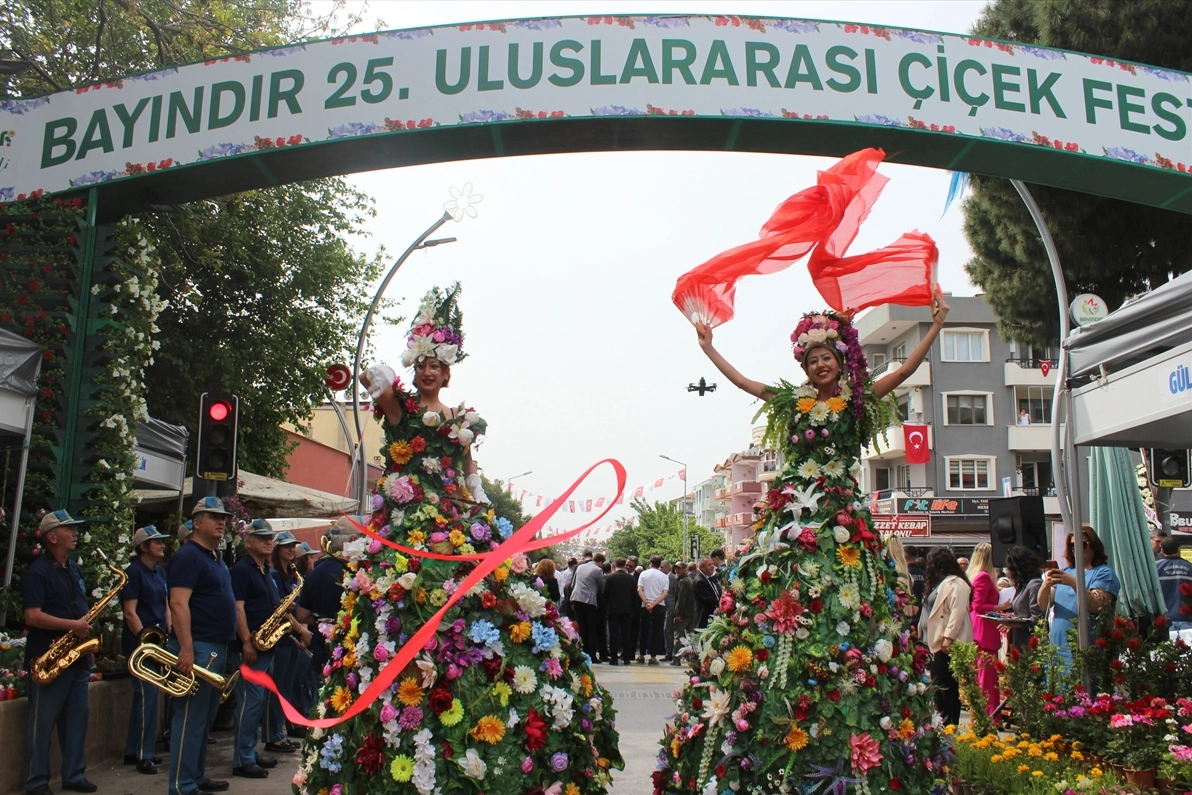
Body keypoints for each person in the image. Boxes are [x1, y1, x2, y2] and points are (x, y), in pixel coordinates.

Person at [296, 284, 621, 794]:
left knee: (488, 600)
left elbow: (470, 476)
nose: (428, 372)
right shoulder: (399, 410)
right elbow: (376, 383)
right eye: (421, 362)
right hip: (405, 530)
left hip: (460, 525)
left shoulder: (464, 421)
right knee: (402, 605)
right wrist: (371, 368)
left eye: (436, 365)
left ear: (448, 372)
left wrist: (486, 516)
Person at [660, 296, 950, 792]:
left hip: (841, 517)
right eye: (813, 359)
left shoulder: (857, 404)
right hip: (791, 520)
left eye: (828, 358)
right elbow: (748, 384)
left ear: (841, 362)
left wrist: (936, 328)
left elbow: (899, 374)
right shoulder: (790, 405)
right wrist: (711, 351)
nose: (820, 365)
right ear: (804, 364)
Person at [23, 509, 96, 795]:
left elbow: (80, 608)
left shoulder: (74, 568)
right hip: (48, 658)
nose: (75, 533)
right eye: (69, 529)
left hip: (77, 656)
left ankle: (74, 775)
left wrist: (86, 644)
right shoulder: (37, 572)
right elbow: (32, 616)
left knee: (77, 720)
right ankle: (37, 781)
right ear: (52, 537)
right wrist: (73, 626)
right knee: (42, 723)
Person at [168, 497, 237, 795]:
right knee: (189, 718)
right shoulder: (188, 556)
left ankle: (195, 775)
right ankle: (181, 785)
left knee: (204, 718)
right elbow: (178, 604)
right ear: (197, 523)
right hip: (198, 644)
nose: (221, 521)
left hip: (214, 644)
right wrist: (185, 648)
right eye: (213, 517)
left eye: (223, 517)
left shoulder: (214, 556)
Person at [122, 525, 170, 775]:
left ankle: (133, 750)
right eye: (157, 542)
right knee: (147, 696)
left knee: (147, 698)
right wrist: (145, 641)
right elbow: (130, 612)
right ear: (143, 547)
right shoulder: (134, 572)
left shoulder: (159, 573)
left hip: (157, 642)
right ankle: (144, 754)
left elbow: (165, 603)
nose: (162, 545)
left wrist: (168, 628)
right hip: (140, 646)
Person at [1037, 524, 1121, 669]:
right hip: (1059, 648)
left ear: (1094, 546)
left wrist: (1075, 584)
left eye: (1082, 545)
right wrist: (1046, 584)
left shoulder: (1103, 573)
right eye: (1072, 546)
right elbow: (1044, 605)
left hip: (1087, 649)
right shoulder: (1066, 571)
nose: (1076, 549)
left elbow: (1096, 605)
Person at [261, 530, 308, 754]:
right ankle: (273, 734)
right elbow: (275, 606)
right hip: (281, 638)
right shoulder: (273, 574)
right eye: (287, 546)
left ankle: (280, 730)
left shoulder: (292, 574)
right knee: (277, 687)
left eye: (293, 546)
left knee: (287, 686)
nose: (291, 549)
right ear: (278, 549)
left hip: (292, 637)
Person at [921, 547, 973, 727]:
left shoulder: (958, 583)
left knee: (947, 687)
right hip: (933, 641)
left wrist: (948, 637)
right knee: (938, 686)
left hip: (945, 643)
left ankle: (950, 724)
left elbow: (957, 612)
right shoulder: (938, 583)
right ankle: (942, 723)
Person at [966, 542, 1004, 716]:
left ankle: (982, 716)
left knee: (981, 678)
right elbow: (979, 605)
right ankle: (989, 718)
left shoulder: (974, 575)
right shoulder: (984, 577)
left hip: (978, 631)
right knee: (987, 680)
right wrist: (1001, 606)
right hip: (984, 633)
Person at [1002, 546, 1045, 652]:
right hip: (1019, 642)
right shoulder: (1022, 586)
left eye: (1009, 568)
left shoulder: (1034, 585)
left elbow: (1038, 620)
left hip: (1030, 645)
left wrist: (1012, 623)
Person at [569, 550, 606, 660]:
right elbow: (602, 586)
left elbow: (572, 584)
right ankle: (591, 655)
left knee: (581, 628)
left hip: (576, 598)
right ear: (600, 562)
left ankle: (580, 653)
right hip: (589, 601)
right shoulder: (598, 570)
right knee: (591, 629)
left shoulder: (580, 567)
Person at [637, 555, 669, 665]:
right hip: (659, 606)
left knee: (644, 631)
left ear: (650, 563)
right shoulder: (664, 576)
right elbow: (665, 593)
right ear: (660, 564)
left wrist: (646, 603)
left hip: (645, 606)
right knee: (656, 632)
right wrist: (654, 604)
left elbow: (640, 590)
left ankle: (641, 655)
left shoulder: (643, 574)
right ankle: (653, 657)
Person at [604, 558, 637, 665]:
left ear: (614, 565)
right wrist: (632, 609)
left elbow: (605, 594)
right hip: (627, 610)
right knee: (626, 634)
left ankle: (614, 658)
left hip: (613, 609)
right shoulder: (631, 579)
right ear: (624, 565)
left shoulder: (610, 578)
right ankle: (626, 658)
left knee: (613, 634)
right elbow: (634, 596)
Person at [1156, 536, 1192, 631]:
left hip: (1164, 620)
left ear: (1162, 550)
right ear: (1178, 549)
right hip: (1187, 620)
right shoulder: (1190, 567)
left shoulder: (1155, 568)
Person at [670, 562, 696, 665]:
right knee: (691, 637)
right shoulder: (690, 580)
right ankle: (693, 659)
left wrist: (678, 614)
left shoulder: (683, 582)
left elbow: (681, 599)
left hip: (684, 614)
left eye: (679, 569)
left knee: (678, 636)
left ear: (685, 569)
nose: (677, 571)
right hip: (691, 613)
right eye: (676, 569)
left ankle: (676, 658)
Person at [692, 556, 720, 629]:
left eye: (712, 564)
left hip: (713, 615)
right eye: (709, 565)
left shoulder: (709, 577)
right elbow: (709, 599)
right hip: (704, 618)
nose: (712, 566)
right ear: (701, 567)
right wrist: (723, 604)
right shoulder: (700, 581)